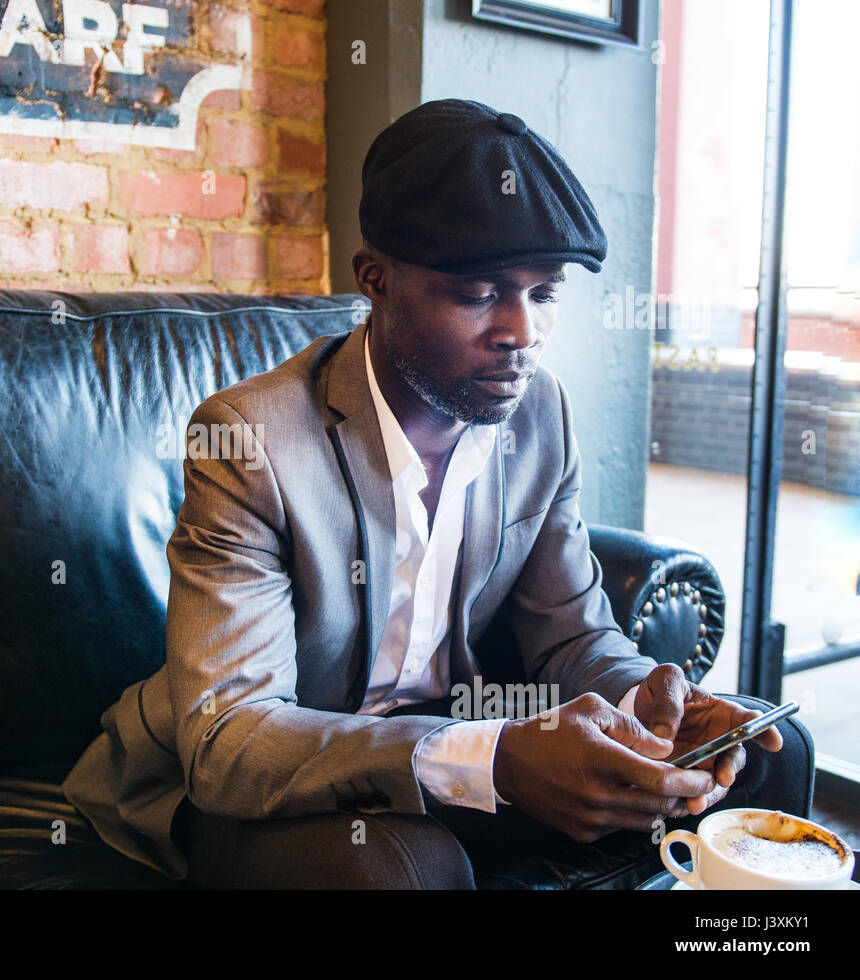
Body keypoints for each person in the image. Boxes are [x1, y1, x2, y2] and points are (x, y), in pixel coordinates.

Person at [62, 98, 812, 888]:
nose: (521, 331)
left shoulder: (540, 414)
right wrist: (495, 758)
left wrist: (658, 702)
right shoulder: (250, 444)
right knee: (403, 869)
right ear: (375, 280)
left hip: (453, 751)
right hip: (254, 783)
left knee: (766, 758)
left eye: (543, 294)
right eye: (481, 293)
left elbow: (569, 640)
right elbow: (233, 742)